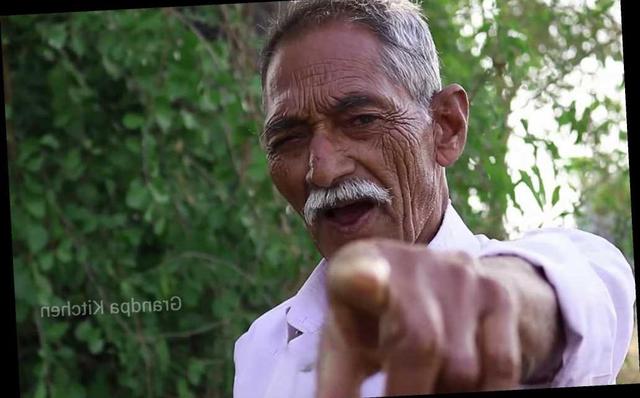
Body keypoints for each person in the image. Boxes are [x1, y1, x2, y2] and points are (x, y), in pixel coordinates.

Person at [233, 0, 636, 397]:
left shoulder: (551, 275)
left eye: (362, 121)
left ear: (446, 126)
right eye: (289, 139)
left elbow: (586, 286)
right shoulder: (260, 350)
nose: (322, 170)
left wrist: (494, 299)